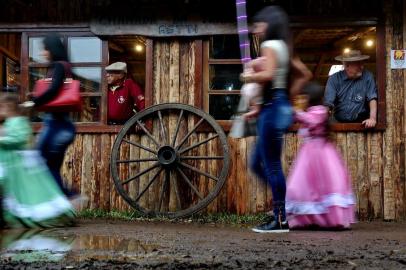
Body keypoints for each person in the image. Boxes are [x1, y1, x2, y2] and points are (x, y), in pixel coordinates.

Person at [241, 6, 311, 233]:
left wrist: (247, 75)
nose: (256, 29)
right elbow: (304, 74)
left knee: (270, 165)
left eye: (259, 25)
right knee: (256, 163)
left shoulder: (269, 45)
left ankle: (280, 218)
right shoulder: (285, 48)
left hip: (274, 107)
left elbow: (269, 74)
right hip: (274, 106)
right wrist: (285, 99)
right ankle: (281, 205)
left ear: (269, 25)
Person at [286, 82, 356, 229]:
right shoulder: (310, 111)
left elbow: (310, 120)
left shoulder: (319, 111)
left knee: (323, 185)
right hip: (309, 153)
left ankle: (328, 219)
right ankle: (310, 219)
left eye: (303, 97)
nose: (300, 100)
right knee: (302, 187)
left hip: (320, 154)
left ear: (310, 97)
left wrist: (294, 111)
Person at [0, 93, 75, 228]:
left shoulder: (18, 121)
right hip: (11, 165)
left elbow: (20, 138)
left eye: (1, 108)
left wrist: (3, 140)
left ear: (8, 107)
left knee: (26, 193)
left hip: (20, 165)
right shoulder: (10, 122)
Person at [21, 33, 77, 198]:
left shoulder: (59, 66)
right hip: (61, 123)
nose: (42, 53)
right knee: (50, 165)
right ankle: (64, 199)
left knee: (41, 162)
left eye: (44, 49)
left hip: (57, 123)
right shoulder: (64, 65)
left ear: (52, 49)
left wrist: (34, 103)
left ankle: (66, 197)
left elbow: (53, 90)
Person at [324, 50, 378, 128]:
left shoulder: (368, 76)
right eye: (358, 64)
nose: (362, 66)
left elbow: (372, 98)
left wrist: (372, 118)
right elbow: (328, 103)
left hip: (361, 122)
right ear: (347, 66)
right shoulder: (334, 79)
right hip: (338, 121)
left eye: (362, 63)